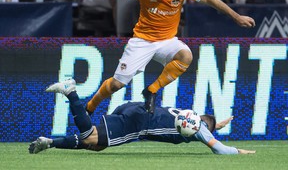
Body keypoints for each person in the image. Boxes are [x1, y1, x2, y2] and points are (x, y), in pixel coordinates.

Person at [64, 0, 255, 114]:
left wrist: (237, 17)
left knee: (186, 56)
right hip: (142, 42)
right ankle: (90, 106)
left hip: (166, 41)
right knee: (116, 84)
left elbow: (210, 0)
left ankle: (151, 90)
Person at [29, 78, 256, 155]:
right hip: (138, 123)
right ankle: (71, 91)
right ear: (206, 127)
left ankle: (47, 142)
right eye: (209, 130)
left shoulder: (191, 114)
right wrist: (239, 151)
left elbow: (209, 125)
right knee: (90, 137)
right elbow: (219, 148)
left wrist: (219, 122)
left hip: (134, 109)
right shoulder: (198, 127)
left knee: (97, 145)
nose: (206, 135)